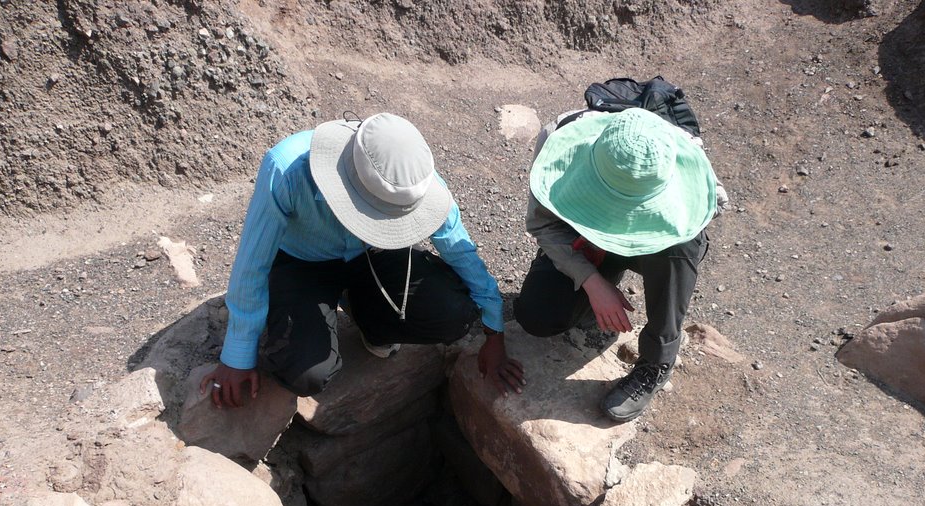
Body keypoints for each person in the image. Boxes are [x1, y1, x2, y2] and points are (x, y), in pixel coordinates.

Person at [200, 112, 525, 407]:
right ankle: (318, 309)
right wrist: (237, 355)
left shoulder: (412, 180)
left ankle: (369, 317)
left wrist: (494, 333)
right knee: (307, 373)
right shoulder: (287, 168)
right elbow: (252, 261)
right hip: (302, 263)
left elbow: (461, 251)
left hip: (373, 253)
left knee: (454, 314)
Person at [514, 107, 720, 422]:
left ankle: (658, 359)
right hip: (587, 238)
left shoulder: (680, 156)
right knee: (538, 315)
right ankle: (600, 283)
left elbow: (706, 212)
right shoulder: (558, 138)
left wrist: (645, 222)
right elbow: (543, 226)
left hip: (648, 239)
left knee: (684, 242)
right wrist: (591, 281)